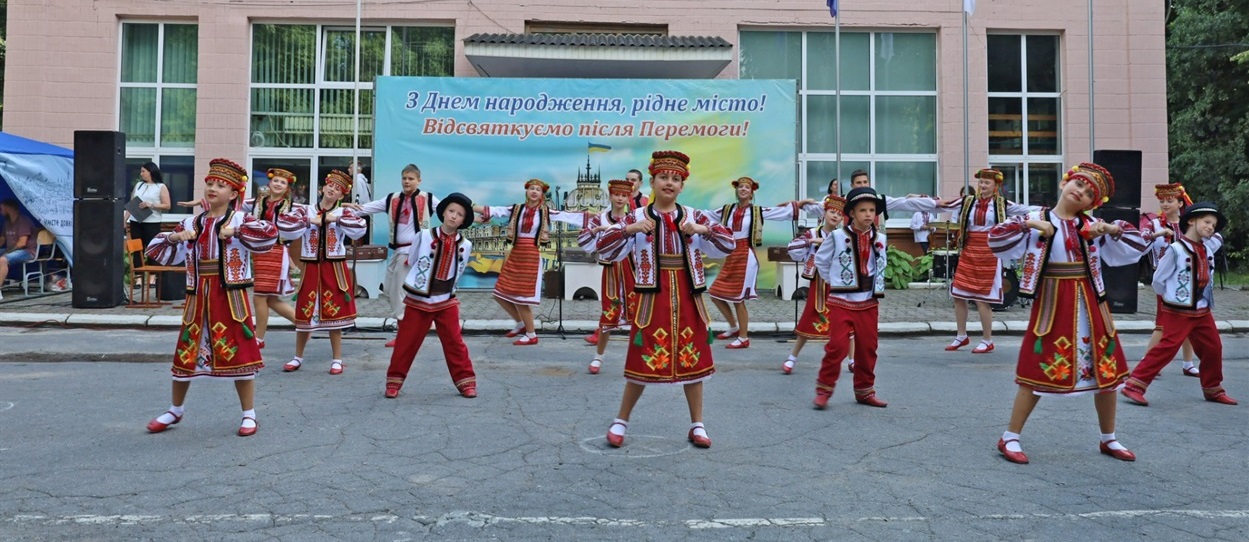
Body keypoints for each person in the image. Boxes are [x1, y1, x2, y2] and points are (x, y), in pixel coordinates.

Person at [987, 162, 1148, 464]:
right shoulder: (1036, 217)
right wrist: (1030, 226)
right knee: (1037, 369)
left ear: (1092, 203)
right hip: (1053, 301)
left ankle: (1108, 438)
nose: (1081, 192)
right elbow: (995, 240)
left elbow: (1136, 245)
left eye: (1089, 193)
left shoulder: (1092, 225)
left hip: (1092, 302)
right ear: (1064, 183)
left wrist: (1111, 228)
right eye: (1079, 184)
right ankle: (1010, 436)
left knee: (1107, 372)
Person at [596, 150, 735, 449]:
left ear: (682, 185)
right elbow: (603, 249)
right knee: (642, 358)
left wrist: (703, 230)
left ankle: (697, 424)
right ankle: (621, 420)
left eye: (675, 178)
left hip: (689, 297)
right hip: (651, 299)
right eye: (663, 177)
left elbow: (728, 244)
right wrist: (628, 229)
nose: (669, 183)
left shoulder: (695, 216)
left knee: (693, 359)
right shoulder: (636, 217)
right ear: (652, 182)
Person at [143, 158, 278, 437]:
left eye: (221, 185)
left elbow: (269, 236)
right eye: (210, 183)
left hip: (230, 298)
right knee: (185, 354)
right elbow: (155, 251)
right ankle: (175, 409)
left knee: (240, 353)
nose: (212, 188)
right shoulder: (191, 221)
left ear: (234, 193)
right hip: (198, 297)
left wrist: (237, 232)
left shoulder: (241, 219)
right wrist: (175, 238)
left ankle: (249, 414)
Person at [891, 169, 1036, 354]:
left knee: (983, 299)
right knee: (959, 294)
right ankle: (961, 335)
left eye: (987, 183)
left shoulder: (1002, 204)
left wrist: (1051, 212)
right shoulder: (968, 201)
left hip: (989, 252)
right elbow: (942, 204)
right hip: (969, 250)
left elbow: (1025, 210)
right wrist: (918, 199)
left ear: (995, 186)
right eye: (981, 182)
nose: (983, 186)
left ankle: (987, 339)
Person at [1122, 202, 1237, 407]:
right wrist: (1171, 297)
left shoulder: (1206, 249)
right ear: (1191, 220)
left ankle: (1213, 388)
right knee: (1167, 347)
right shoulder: (1176, 249)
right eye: (1207, 222)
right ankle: (1134, 385)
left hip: (1201, 309)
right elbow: (1159, 279)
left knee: (1213, 347)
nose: (1211, 227)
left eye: (1213, 225)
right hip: (1178, 309)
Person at [384, 193, 480, 399]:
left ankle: (466, 382)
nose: (454, 216)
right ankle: (394, 381)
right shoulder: (424, 236)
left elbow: (459, 270)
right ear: (443, 212)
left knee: (455, 342)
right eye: (451, 211)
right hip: (419, 299)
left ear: (463, 220)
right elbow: (412, 259)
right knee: (406, 342)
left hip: (446, 299)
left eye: (460, 214)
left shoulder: (466, 244)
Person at [702, 177, 815, 349]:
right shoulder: (726, 210)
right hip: (731, 254)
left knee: (738, 299)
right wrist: (684, 214)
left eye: (747, 187)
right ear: (736, 191)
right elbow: (705, 215)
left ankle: (743, 337)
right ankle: (733, 326)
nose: (743, 189)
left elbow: (780, 212)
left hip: (746, 255)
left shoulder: (757, 211)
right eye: (740, 187)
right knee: (715, 293)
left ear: (752, 192)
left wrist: (801, 203)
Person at [473, 179, 589, 346]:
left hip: (530, 255)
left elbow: (570, 216)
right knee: (500, 293)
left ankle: (531, 334)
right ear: (527, 192)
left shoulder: (546, 212)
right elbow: (495, 211)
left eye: (538, 190)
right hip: (516, 253)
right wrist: (469, 205)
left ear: (542, 194)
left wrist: (601, 218)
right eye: (532, 189)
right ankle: (521, 324)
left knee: (522, 298)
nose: (534, 192)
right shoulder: (516, 209)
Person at [277, 169, 367, 375]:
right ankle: (297, 357)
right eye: (330, 186)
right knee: (304, 314)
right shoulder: (305, 210)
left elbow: (360, 227)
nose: (332, 190)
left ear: (342, 195)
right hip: (310, 267)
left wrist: (333, 220)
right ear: (323, 187)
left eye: (338, 189)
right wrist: (312, 221)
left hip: (334, 268)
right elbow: (284, 224)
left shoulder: (343, 213)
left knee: (334, 314)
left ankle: (337, 359)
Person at [811, 187, 890, 409]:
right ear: (852, 213)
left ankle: (865, 391)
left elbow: (878, 265)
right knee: (837, 347)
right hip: (841, 301)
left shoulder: (880, 238)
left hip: (868, 302)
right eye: (862, 210)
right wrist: (836, 281)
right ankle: (824, 390)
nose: (867, 214)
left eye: (872, 210)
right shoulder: (837, 236)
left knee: (868, 348)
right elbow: (821, 261)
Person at [347, 164, 439, 348]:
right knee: (388, 290)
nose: (407, 181)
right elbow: (367, 208)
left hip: (412, 252)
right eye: (404, 178)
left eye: (411, 178)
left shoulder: (427, 198)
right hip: (397, 251)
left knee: (398, 294)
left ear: (419, 180)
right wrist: (346, 209)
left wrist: (475, 215)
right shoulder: (393, 199)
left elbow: (450, 209)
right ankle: (416, 323)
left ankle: (404, 336)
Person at [578, 179, 638, 373]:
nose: (620, 198)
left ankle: (639, 358)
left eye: (624, 195)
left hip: (632, 269)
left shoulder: (635, 218)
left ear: (629, 197)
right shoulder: (600, 218)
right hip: (611, 270)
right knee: (608, 313)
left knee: (638, 314)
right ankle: (598, 357)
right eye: (617, 194)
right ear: (610, 195)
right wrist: (597, 230)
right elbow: (585, 242)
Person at [781, 194, 845, 375]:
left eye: (839, 214)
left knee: (846, 320)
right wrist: (810, 241)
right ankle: (792, 357)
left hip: (839, 283)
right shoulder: (812, 232)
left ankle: (853, 360)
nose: (835, 216)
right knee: (809, 317)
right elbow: (792, 248)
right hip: (818, 283)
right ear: (824, 213)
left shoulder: (843, 235)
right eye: (832, 212)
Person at [1140, 183, 1198, 376]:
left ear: (1180, 202)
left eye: (1169, 200)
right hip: (1164, 279)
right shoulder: (1155, 223)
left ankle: (1188, 363)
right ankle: (1147, 363)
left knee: (1189, 320)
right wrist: (1159, 233)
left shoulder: (1189, 222)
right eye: (1162, 201)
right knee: (1162, 323)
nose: (1165, 204)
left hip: (1188, 277)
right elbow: (1142, 238)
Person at [242, 168, 299, 349]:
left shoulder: (289, 206)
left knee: (259, 296)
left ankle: (259, 339)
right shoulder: (258, 201)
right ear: (270, 183)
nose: (278, 184)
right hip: (261, 252)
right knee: (270, 300)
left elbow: (309, 212)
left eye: (283, 183)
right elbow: (235, 202)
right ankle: (304, 324)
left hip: (275, 250)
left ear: (287, 188)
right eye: (276, 181)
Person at [125, 162, 172, 265]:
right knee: (137, 249)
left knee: (152, 249)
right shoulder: (138, 185)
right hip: (136, 221)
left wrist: (151, 205)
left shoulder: (160, 186)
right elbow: (132, 203)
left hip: (152, 223)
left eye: (143, 171)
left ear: (151, 172)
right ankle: (138, 278)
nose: (141, 174)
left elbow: (167, 205)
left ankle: (152, 277)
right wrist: (124, 219)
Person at [0, 199, 37, 297]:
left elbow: (22, 243)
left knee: (3, 260)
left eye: (1, 208)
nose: (0, 211)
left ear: (7, 208)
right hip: (12, 250)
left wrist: (6, 252)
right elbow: (2, 239)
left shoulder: (23, 221)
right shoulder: (7, 222)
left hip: (27, 251)